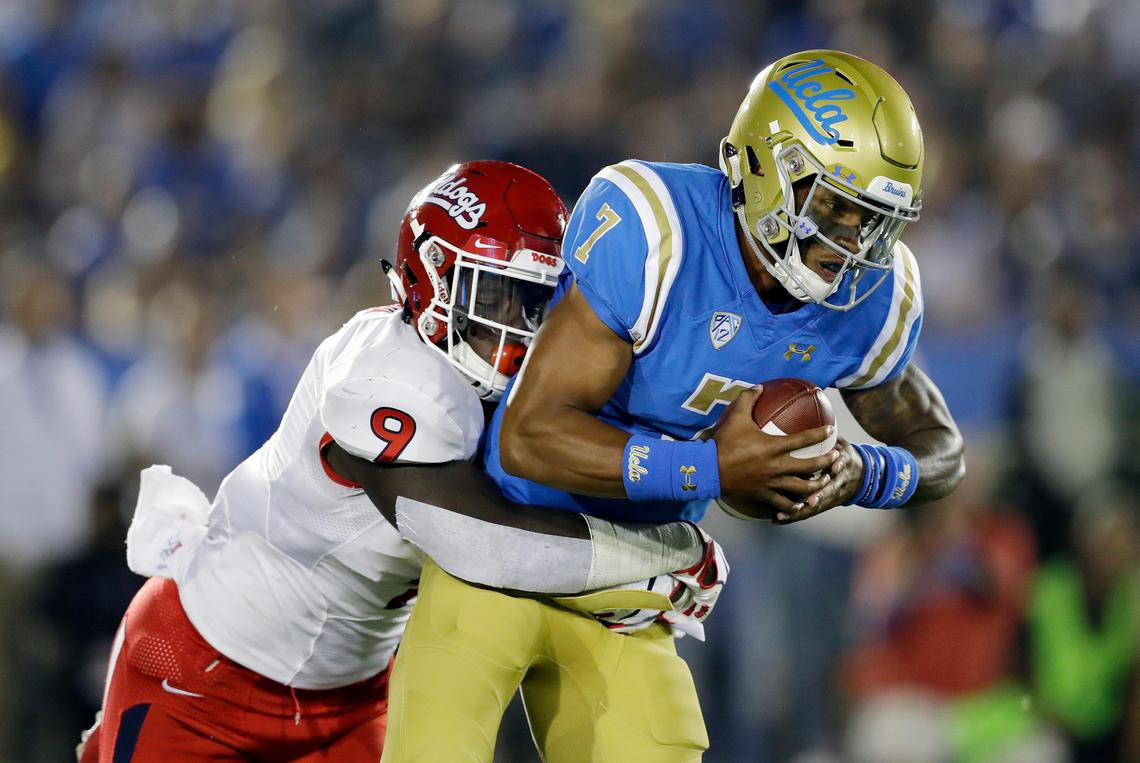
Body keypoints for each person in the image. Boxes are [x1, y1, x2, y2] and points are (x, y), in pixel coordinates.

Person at [385, 49, 967, 759]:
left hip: (629, 586)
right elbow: (530, 437)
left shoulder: (870, 300)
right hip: (506, 546)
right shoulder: (658, 229)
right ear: (763, 169)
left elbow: (941, 449)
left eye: (873, 221)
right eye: (835, 207)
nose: (849, 247)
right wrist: (710, 468)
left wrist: (862, 473)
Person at [77, 161, 725, 762]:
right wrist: (658, 556)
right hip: (204, 669)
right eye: (494, 295)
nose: (518, 326)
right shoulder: (387, 370)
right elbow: (477, 540)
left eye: (533, 301)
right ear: (431, 277)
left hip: (355, 695)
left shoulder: (521, 381)